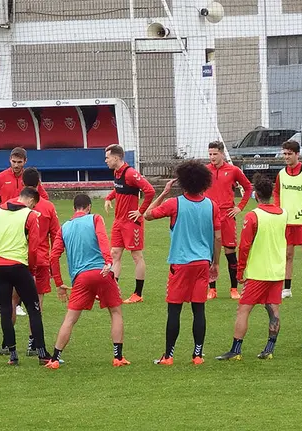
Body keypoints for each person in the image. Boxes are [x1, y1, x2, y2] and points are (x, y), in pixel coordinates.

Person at [145, 160, 221, 366]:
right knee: (199, 309)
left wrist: (163, 193)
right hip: (202, 263)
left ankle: (168, 356)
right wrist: (215, 263)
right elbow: (217, 237)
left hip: (180, 264)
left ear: (183, 181)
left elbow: (147, 215)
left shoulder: (174, 203)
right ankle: (198, 355)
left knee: (174, 310)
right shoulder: (212, 206)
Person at [0, 187, 52, 366]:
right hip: (19, 265)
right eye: (34, 204)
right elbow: (34, 247)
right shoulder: (30, 215)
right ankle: (42, 353)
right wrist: (32, 269)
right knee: (34, 309)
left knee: (6, 310)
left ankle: (13, 354)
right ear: (31, 200)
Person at [47, 194, 129, 369]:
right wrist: (108, 262)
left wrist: (59, 283)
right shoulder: (95, 219)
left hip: (81, 278)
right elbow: (102, 240)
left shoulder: (64, 227)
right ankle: (118, 357)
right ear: (89, 207)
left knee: (70, 319)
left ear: (74, 208)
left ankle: (55, 358)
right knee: (115, 312)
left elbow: (53, 257)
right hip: (102, 272)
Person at [216, 174, 287, 361]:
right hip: (277, 271)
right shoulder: (283, 213)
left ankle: (236, 350)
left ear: (256, 194)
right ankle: (269, 349)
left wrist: (240, 271)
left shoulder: (253, 216)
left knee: (243, 310)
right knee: (273, 310)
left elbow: (244, 246)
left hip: (258, 272)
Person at [0, 146, 49, 318]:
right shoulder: (0, 178)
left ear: (25, 161)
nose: (16, 165)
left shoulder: (30, 179)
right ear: (9, 160)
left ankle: (17, 304)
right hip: (2, 227)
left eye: (19, 162)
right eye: (14, 161)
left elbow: (43, 198)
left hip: (21, 228)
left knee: (19, 263)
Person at [103, 144, 156, 304]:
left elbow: (150, 191)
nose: (105, 160)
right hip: (119, 221)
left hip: (132, 223)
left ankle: (138, 294)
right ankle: (112, 290)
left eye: (107, 157)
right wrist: (109, 197)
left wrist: (140, 211)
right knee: (115, 254)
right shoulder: (117, 172)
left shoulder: (131, 173)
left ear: (116, 157)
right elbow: (119, 188)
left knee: (136, 256)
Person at [204, 141, 253, 300]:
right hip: (209, 215)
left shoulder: (233, 170)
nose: (212, 157)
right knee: (210, 253)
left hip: (227, 216)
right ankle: (212, 289)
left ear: (222, 153)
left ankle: (233, 288)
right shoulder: (205, 171)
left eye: (215, 154)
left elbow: (248, 188)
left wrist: (240, 207)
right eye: (210, 154)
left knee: (230, 252)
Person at [273, 140, 302, 299]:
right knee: (287, 255)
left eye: (289, 154)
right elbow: (276, 192)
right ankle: (287, 289)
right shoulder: (281, 174)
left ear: (297, 154)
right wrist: (278, 208)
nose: (286, 157)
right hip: (286, 222)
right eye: (284, 154)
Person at [22, 167, 60, 355]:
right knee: (37, 302)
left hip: (19, 259)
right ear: (39, 183)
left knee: (12, 301)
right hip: (41, 259)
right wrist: (54, 262)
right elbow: (56, 235)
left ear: (22, 183)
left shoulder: (13, 205)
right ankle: (33, 342)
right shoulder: (48, 207)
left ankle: (7, 343)